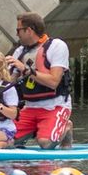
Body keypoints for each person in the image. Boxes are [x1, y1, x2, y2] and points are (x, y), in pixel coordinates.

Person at [6, 12, 72, 146]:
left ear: (29, 30)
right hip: (30, 107)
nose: (17, 34)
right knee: (6, 141)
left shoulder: (57, 46)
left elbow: (53, 82)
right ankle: (36, 128)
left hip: (55, 105)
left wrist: (25, 69)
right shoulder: (19, 52)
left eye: (18, 30)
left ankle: (66, 127)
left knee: (45, 143)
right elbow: (9, 83)